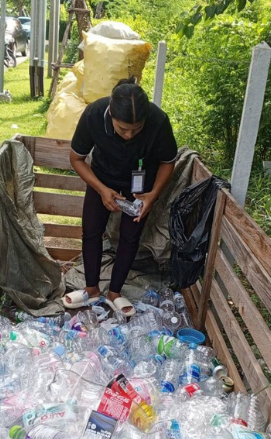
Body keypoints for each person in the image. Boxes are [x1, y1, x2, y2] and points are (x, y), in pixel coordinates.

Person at [63, 78, 178, 317]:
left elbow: (168, 162)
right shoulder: (94, 114)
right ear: (111, 114)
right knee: (91, 231)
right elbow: (76, 159)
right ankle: (91, 289)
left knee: (130, 236)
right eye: (122, 128)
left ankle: (114, 292)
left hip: (140, 186)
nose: (129, 135)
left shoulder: (158, 121)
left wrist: (153, 195)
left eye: (136, 129)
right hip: (101, 179)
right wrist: (101, 189)